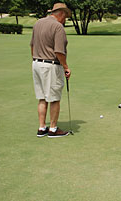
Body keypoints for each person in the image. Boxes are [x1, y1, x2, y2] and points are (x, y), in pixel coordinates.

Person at [30, 3, 72, 138]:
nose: (65, 19)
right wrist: (66, 67)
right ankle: (53, 129)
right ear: (61, 14)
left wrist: (37, 59)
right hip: (50, 66)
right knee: (54, 98)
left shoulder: (38, 23)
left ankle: (42, 127)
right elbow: (59, 51)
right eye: (65, 16)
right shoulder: (57, 27)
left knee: (42, 98)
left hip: (36, 63)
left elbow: (32, 46)